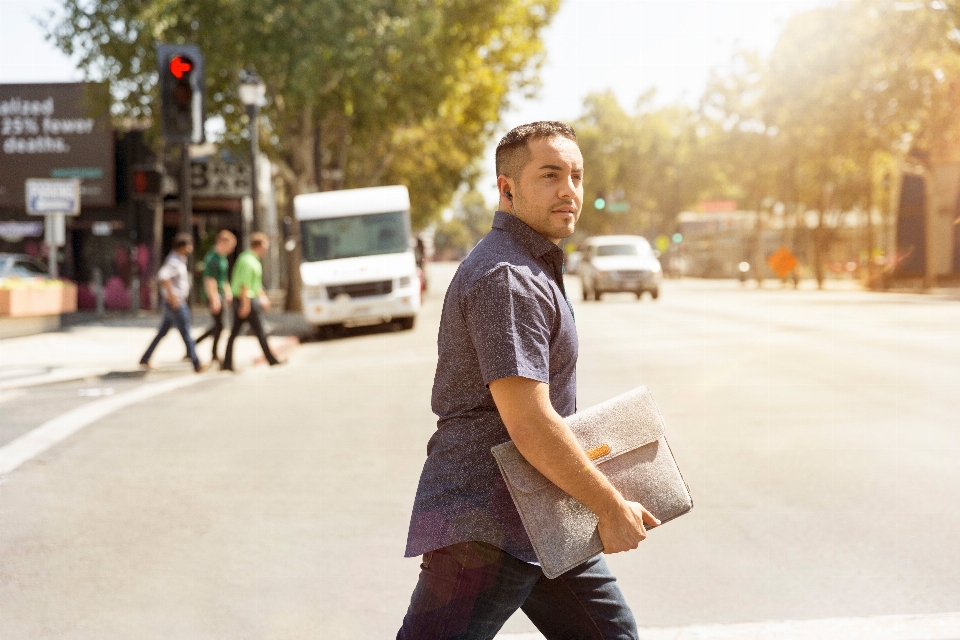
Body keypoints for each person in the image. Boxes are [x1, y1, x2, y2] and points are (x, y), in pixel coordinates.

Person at [398, 122, 659, 640]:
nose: (569, 190)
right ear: (507, 188)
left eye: (576, 176)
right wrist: (609, 505)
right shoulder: (508, 279)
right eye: (550, 175)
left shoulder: (529, 265)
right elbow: (530, 422)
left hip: (540, 512)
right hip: (486, 524)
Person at [140, 232, 208, 373]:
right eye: (189, 245)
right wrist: (173, 296)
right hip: (176, 303)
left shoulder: (178, 259)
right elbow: (163, 277)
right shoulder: (174, 261)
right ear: (183, 246)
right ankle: (197, 363)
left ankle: (145, 358)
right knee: (187, 333)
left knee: (162, 332)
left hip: (174, 302)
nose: (191, 248)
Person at [221, 232, 282, 371]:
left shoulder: (250, 258)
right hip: (246, 300)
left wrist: (262, 296)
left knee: (236, 333)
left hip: (247, 299)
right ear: (259, 245)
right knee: (260, 331)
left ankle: (227, 362)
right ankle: (271, 359)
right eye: (265, 245)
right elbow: (245, 285)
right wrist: (246, 304)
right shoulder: (248, 261)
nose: (266, 249)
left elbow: (255, 284)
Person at [192, 230, 237, 362]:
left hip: (221, 294)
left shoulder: (222, 258)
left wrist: (228, 292)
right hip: (214, 295)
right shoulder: (212, 258)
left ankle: (194, 345)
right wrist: (214, 298)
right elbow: (209, 280)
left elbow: (223, 279)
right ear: (222, 242)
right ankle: (212, 352)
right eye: (230, 245)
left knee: (219, 325)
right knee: (220, 325)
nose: (232, 249)